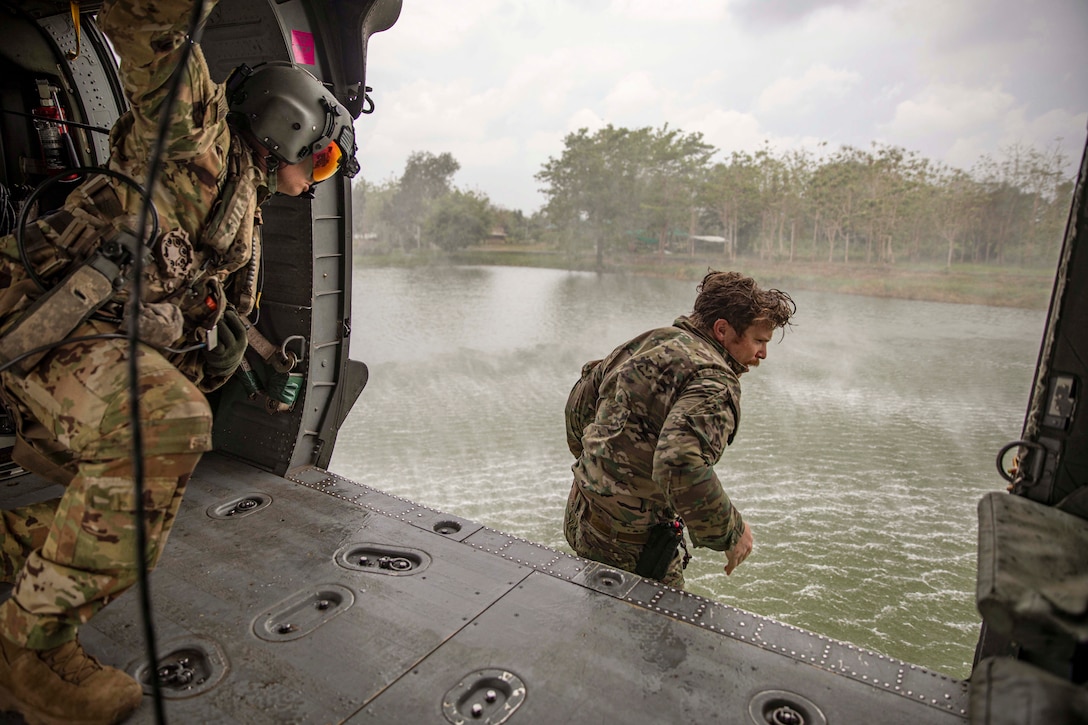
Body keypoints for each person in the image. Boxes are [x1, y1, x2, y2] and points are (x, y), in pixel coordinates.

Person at [0, 0, 360, 722]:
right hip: (46, 326)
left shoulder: (243, 213)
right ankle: (25, 652)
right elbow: (159, 35)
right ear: (282, 125)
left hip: (93, 344)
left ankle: (12, 550)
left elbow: (192, 313)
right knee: (164, 427)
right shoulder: (193, 136)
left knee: (142, 508)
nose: (318, 175)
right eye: (319, 155)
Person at [563, 270, 795, 589]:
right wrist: (733, 532)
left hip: (582, 517)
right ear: (723, 329)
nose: (763, 354)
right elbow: (679, 464)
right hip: (631, 546)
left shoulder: (646, 342)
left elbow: (578, 410)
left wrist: (602, 477)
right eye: (759, 341)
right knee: (660, 634)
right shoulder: (715, 382)